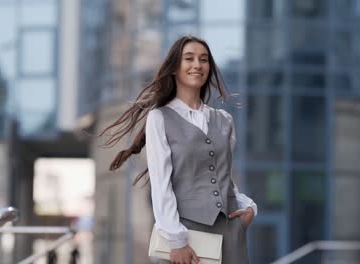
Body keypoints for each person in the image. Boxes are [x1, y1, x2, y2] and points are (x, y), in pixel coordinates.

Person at [99, 35, 257, 264]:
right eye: (189, 58)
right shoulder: (159, 118)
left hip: (230, 233)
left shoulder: (224, 120)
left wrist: (248, 208)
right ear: (175, 67)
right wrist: (176, 240)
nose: (197, 65)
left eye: (204, 60)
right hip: (186, 235)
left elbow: (222, 177)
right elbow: (161, 184)